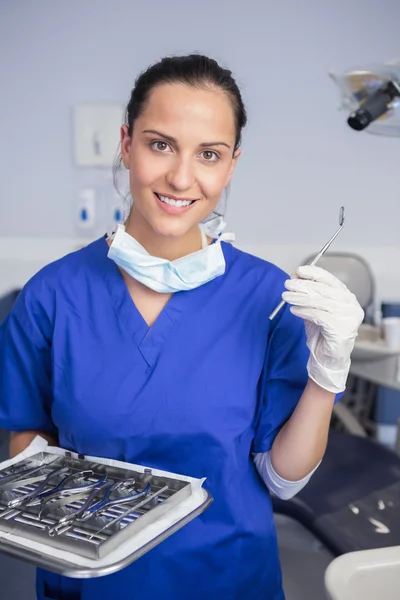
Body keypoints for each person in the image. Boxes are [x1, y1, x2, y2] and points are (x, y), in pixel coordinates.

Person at [0, 54, 363, 600]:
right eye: (160, 144)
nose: (181, 177)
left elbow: (283, 476)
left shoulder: (267, 297)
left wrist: (328, 371)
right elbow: (27, 438)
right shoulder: (52, 294)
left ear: (232, 165)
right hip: (94, 584)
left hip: (227, 577)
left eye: (209, 154)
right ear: (126, 145)